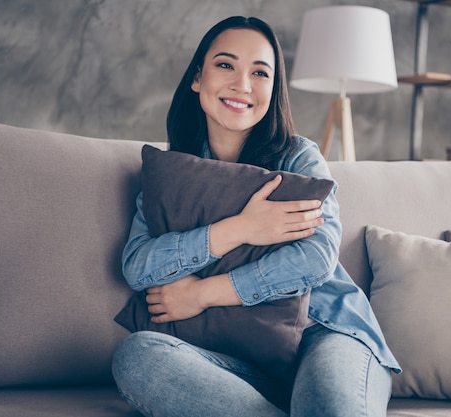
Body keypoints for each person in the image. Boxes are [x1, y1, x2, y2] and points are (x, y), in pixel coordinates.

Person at [112, 15, 400, 417]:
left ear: (273, 88)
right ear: (198, 77)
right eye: (226, 65)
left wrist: (201, 294)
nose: (242, 85)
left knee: (328, 406)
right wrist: (238, 229)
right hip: (241, 362)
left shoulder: (299, 157)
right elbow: (137, 266)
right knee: (136, 354)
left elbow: (316, 259)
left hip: (328, 333)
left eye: (260, 72)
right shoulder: (171, 173)